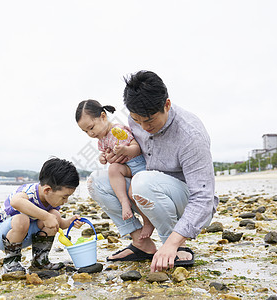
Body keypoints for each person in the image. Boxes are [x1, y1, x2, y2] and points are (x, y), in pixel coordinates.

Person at [87, 71, 219, 272]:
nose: (143, 127)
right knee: (96, 181)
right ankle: (142, 244)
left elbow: (204, 198)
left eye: (149, 121)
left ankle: (173, 245)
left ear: (167, 105)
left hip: (185, 201)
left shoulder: (191, 134)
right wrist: (117, 157)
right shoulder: (134, 120)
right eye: (136, 120)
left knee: (142, 182)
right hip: (147, 190)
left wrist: (172, 243)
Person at [0, 157, 83, 273]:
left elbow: (58, 223)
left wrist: (69, 222)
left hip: (26, 236)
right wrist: (46, 217)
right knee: (23, 219)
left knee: (55, 215)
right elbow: (16, 202)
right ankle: (11, 262)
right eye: (64, 197)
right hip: (3, 236)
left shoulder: (51, 199)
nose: (65, 201)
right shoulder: (29, 191)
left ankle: (40, 260)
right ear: (47, 190)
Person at [75, 100, 154, 239]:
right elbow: (105, 152)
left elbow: (136, 148)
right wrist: (103, 157)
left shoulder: (118, 131)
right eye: (85, 131)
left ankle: (148, 222)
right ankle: (124, 202)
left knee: (133, 192)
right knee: (113, 169)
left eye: (91, 127)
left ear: (103, 117)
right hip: (127, 169)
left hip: (140, 166)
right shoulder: (102, 139)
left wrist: (125, 150)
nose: (90, 133)